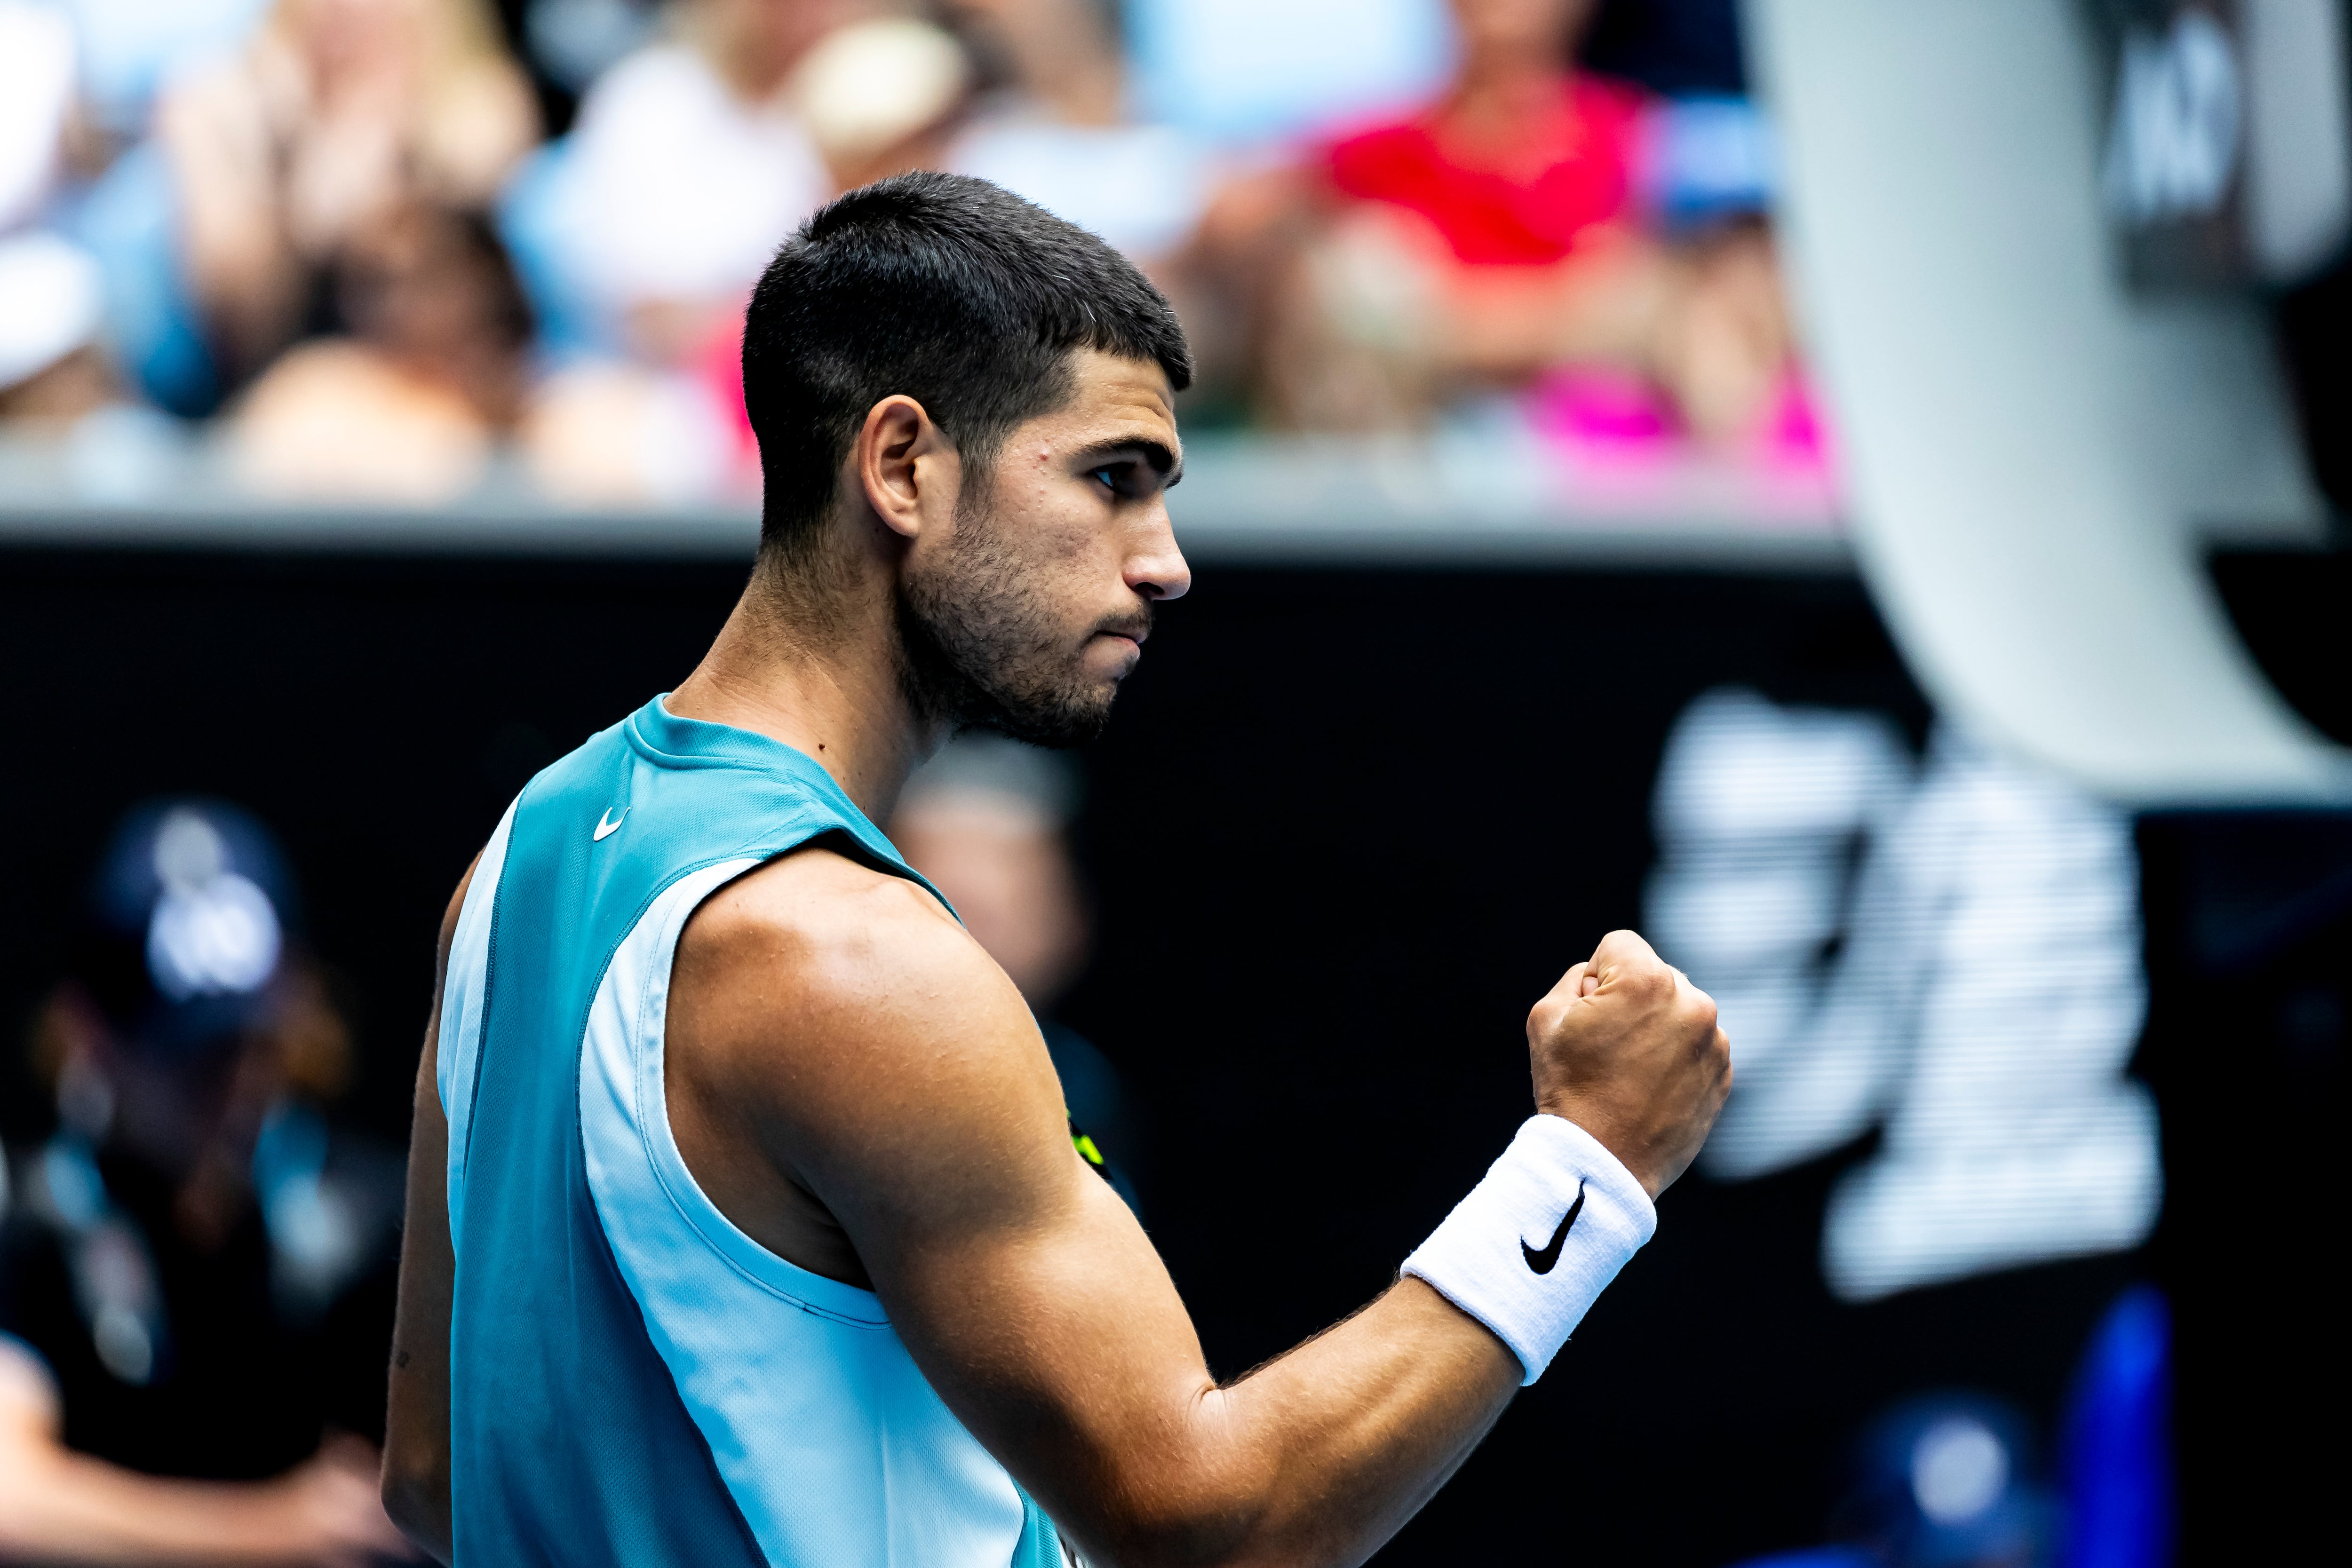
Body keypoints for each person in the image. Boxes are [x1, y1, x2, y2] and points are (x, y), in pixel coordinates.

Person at [381, 171, 1731, 1567]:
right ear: (902, 465)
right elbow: (1217, 1529)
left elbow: (431, 1469)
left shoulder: (517, 856)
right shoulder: (852, 958)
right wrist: (1587, 1165)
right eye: (1110, 479)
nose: (1166, 564)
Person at [0, 801, 412, 1566]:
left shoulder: (378, 1227)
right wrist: (278, 1530)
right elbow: (8, 1497)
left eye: (251, 1046)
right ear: (93, 1031)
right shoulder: (26, 1225)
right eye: (190, 1055)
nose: (233, 1088)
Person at [890, 735, 1145, 1208]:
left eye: (1014, 876)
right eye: (944, 891)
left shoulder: (1080, 1091)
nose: (972, 924)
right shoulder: (832, 1068)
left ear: (1071, 921)